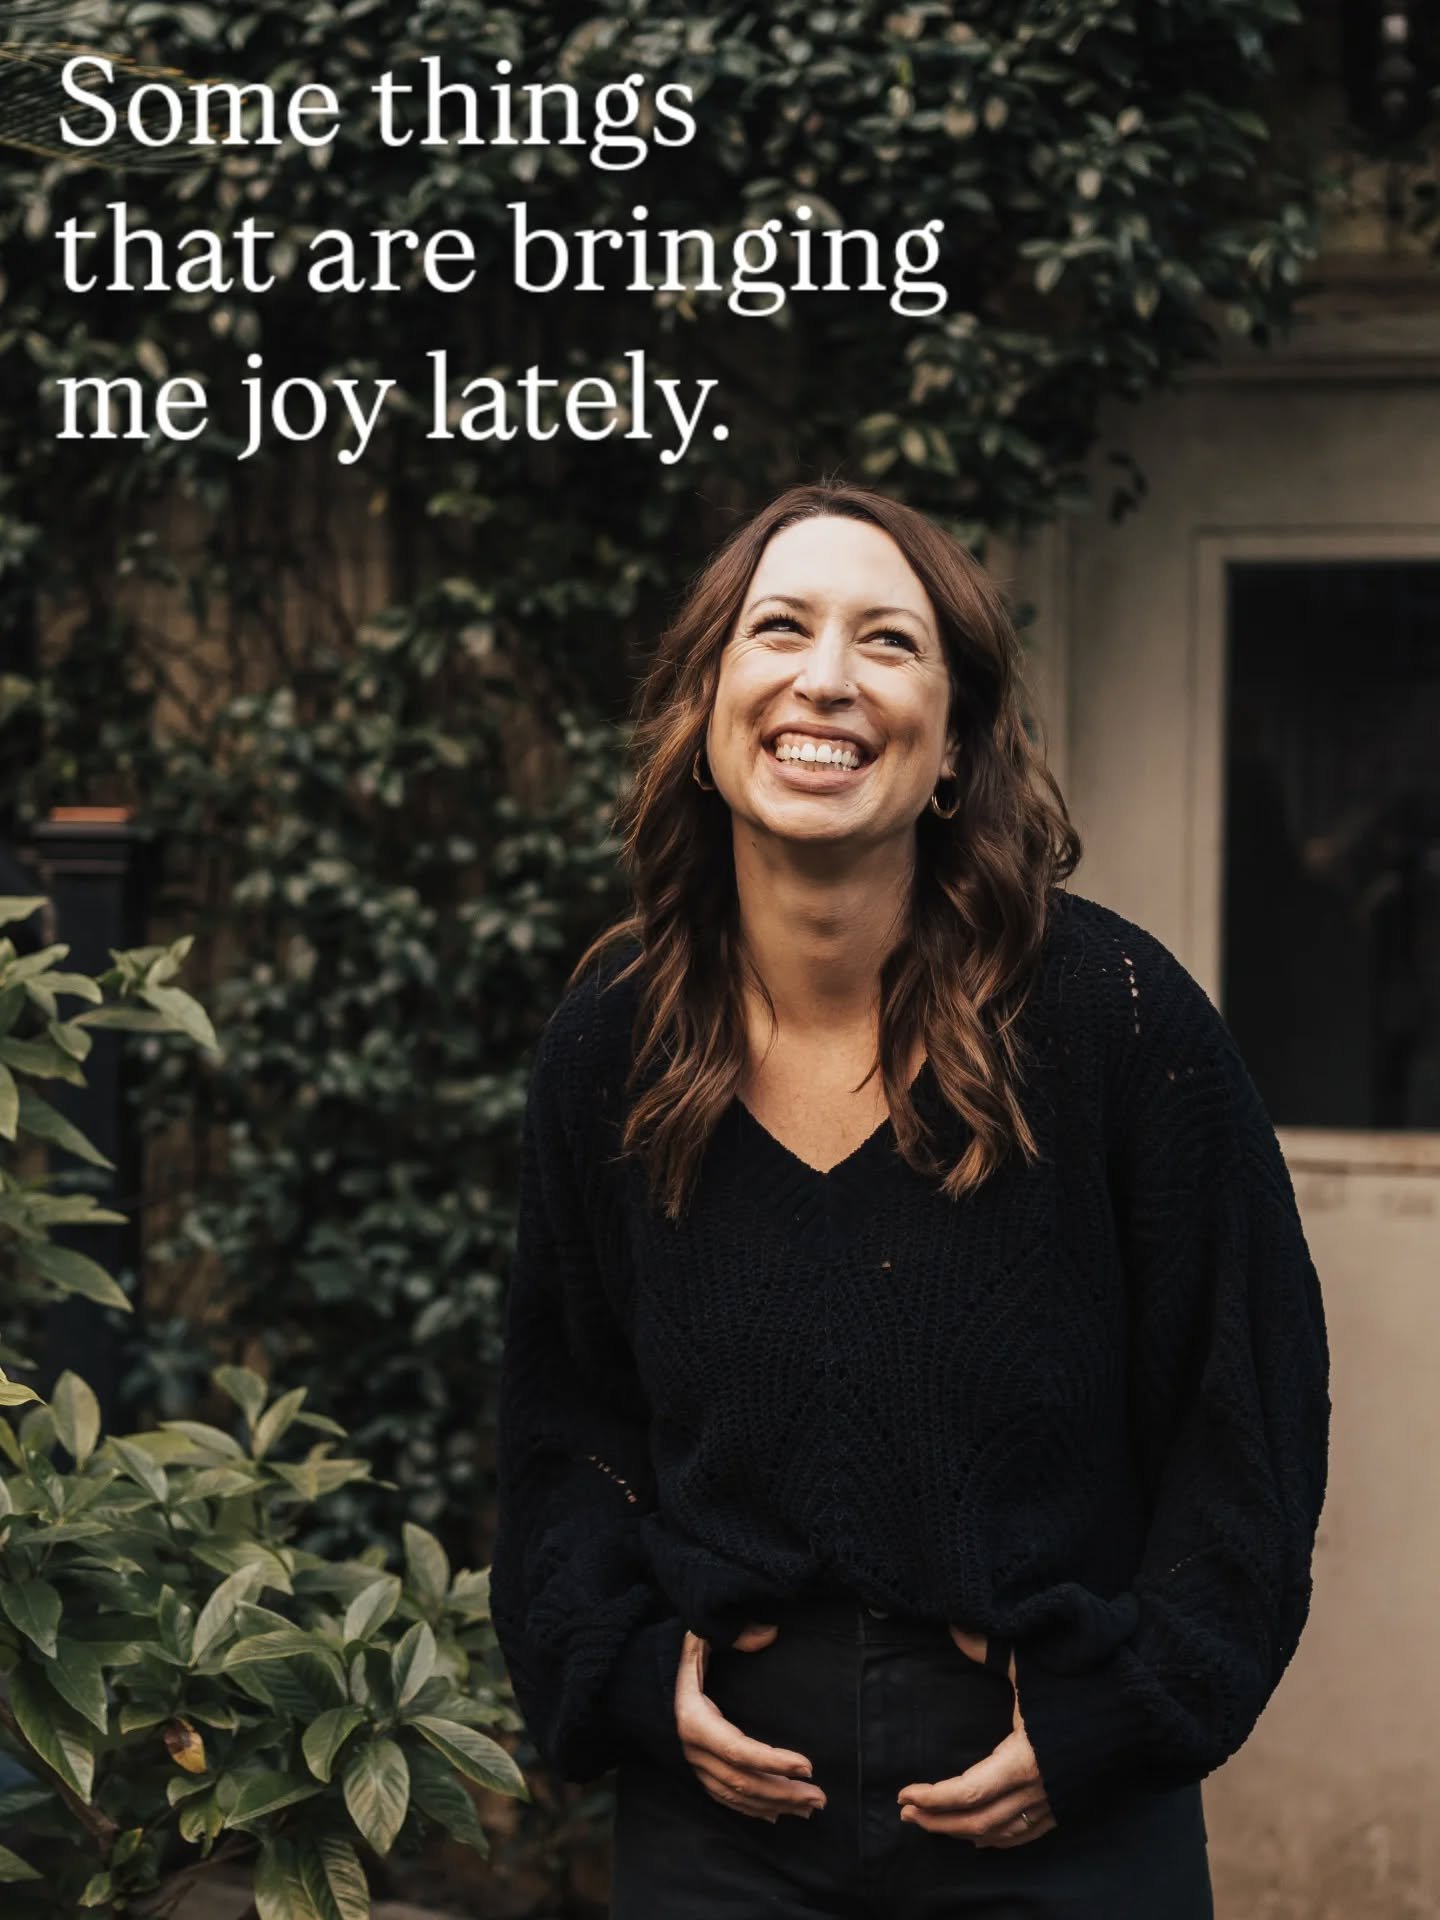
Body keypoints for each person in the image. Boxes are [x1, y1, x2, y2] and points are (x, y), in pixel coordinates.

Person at [488, 482, 1331, 1918]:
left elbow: (1243, 1409)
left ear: (954, 741)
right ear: (705, 707)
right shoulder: (612, 1046)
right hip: (718, 1828)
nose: (826, 678)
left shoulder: (1115, 1023)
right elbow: (565, 1426)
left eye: (888, 641)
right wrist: (624, 1674)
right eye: (779, 630)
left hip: (1052, 1810)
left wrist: (1119, 1713)